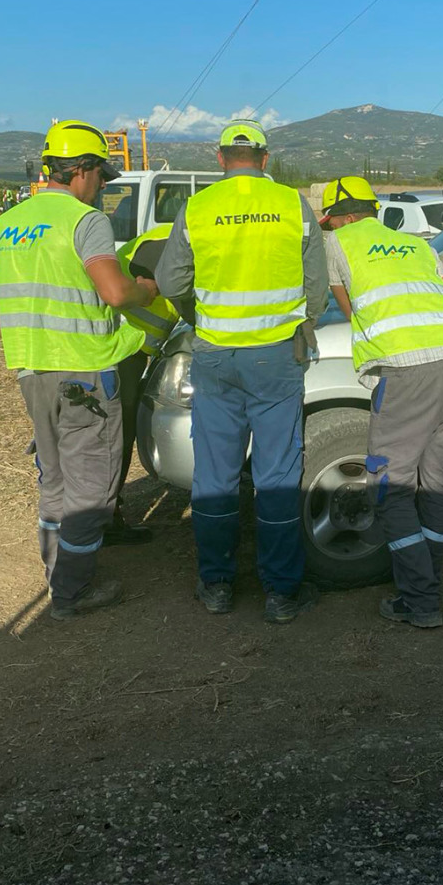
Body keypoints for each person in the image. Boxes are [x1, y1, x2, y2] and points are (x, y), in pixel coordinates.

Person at [0, 120, 159, 621]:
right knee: (91, 487)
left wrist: (21, 336)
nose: (102, 188)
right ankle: (70, 593)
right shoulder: (84, 220)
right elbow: (114, 292)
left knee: (54, 480)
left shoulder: (9, 222)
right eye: (102, 178)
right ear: (85, 172)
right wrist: (148, 292)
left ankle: (56, 576)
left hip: (34, 374)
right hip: (86, 375)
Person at [156, 120, 328, 623]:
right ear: (265, 158)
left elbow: (170, 281)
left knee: (216, 474)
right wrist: (304, 323)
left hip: (215, 356)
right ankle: (280, 593)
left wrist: (201, 319)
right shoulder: (291, 204)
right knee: (277, 475)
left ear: (219, 158)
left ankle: (217, 585)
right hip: (276, 355)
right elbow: (314, 282)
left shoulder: (199, 206)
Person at [320, 176, 443, 629]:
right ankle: (431, 578)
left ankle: (421, 599)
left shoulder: (338, 245)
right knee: (441, 481)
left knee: (391, 485)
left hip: (405, 375)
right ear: (371, 209)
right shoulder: (418, 246)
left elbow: (350, 311)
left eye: (331, 221)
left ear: (342, 217)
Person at [112, 223, 181, 531]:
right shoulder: (172, 243)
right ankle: (106, 515)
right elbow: (149, 276)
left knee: (118, 430)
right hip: (120, 347)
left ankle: (106, 508)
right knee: (118, 431)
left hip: (131, 347)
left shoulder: (171, 234)